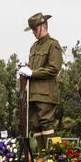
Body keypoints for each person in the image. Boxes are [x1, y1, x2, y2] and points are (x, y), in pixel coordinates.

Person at [18, 12, 62, 151]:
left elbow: (54, 69)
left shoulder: (53, 45)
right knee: (35, 124)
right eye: (32, 30)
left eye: (35, 29)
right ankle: (43, 155)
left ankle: (54, 155)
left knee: (47, 124)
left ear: (43, 26)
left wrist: (33, 73)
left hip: (46, 93)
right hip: (33, 94)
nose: (34, 33)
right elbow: (32, 68)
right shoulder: (33, 47)